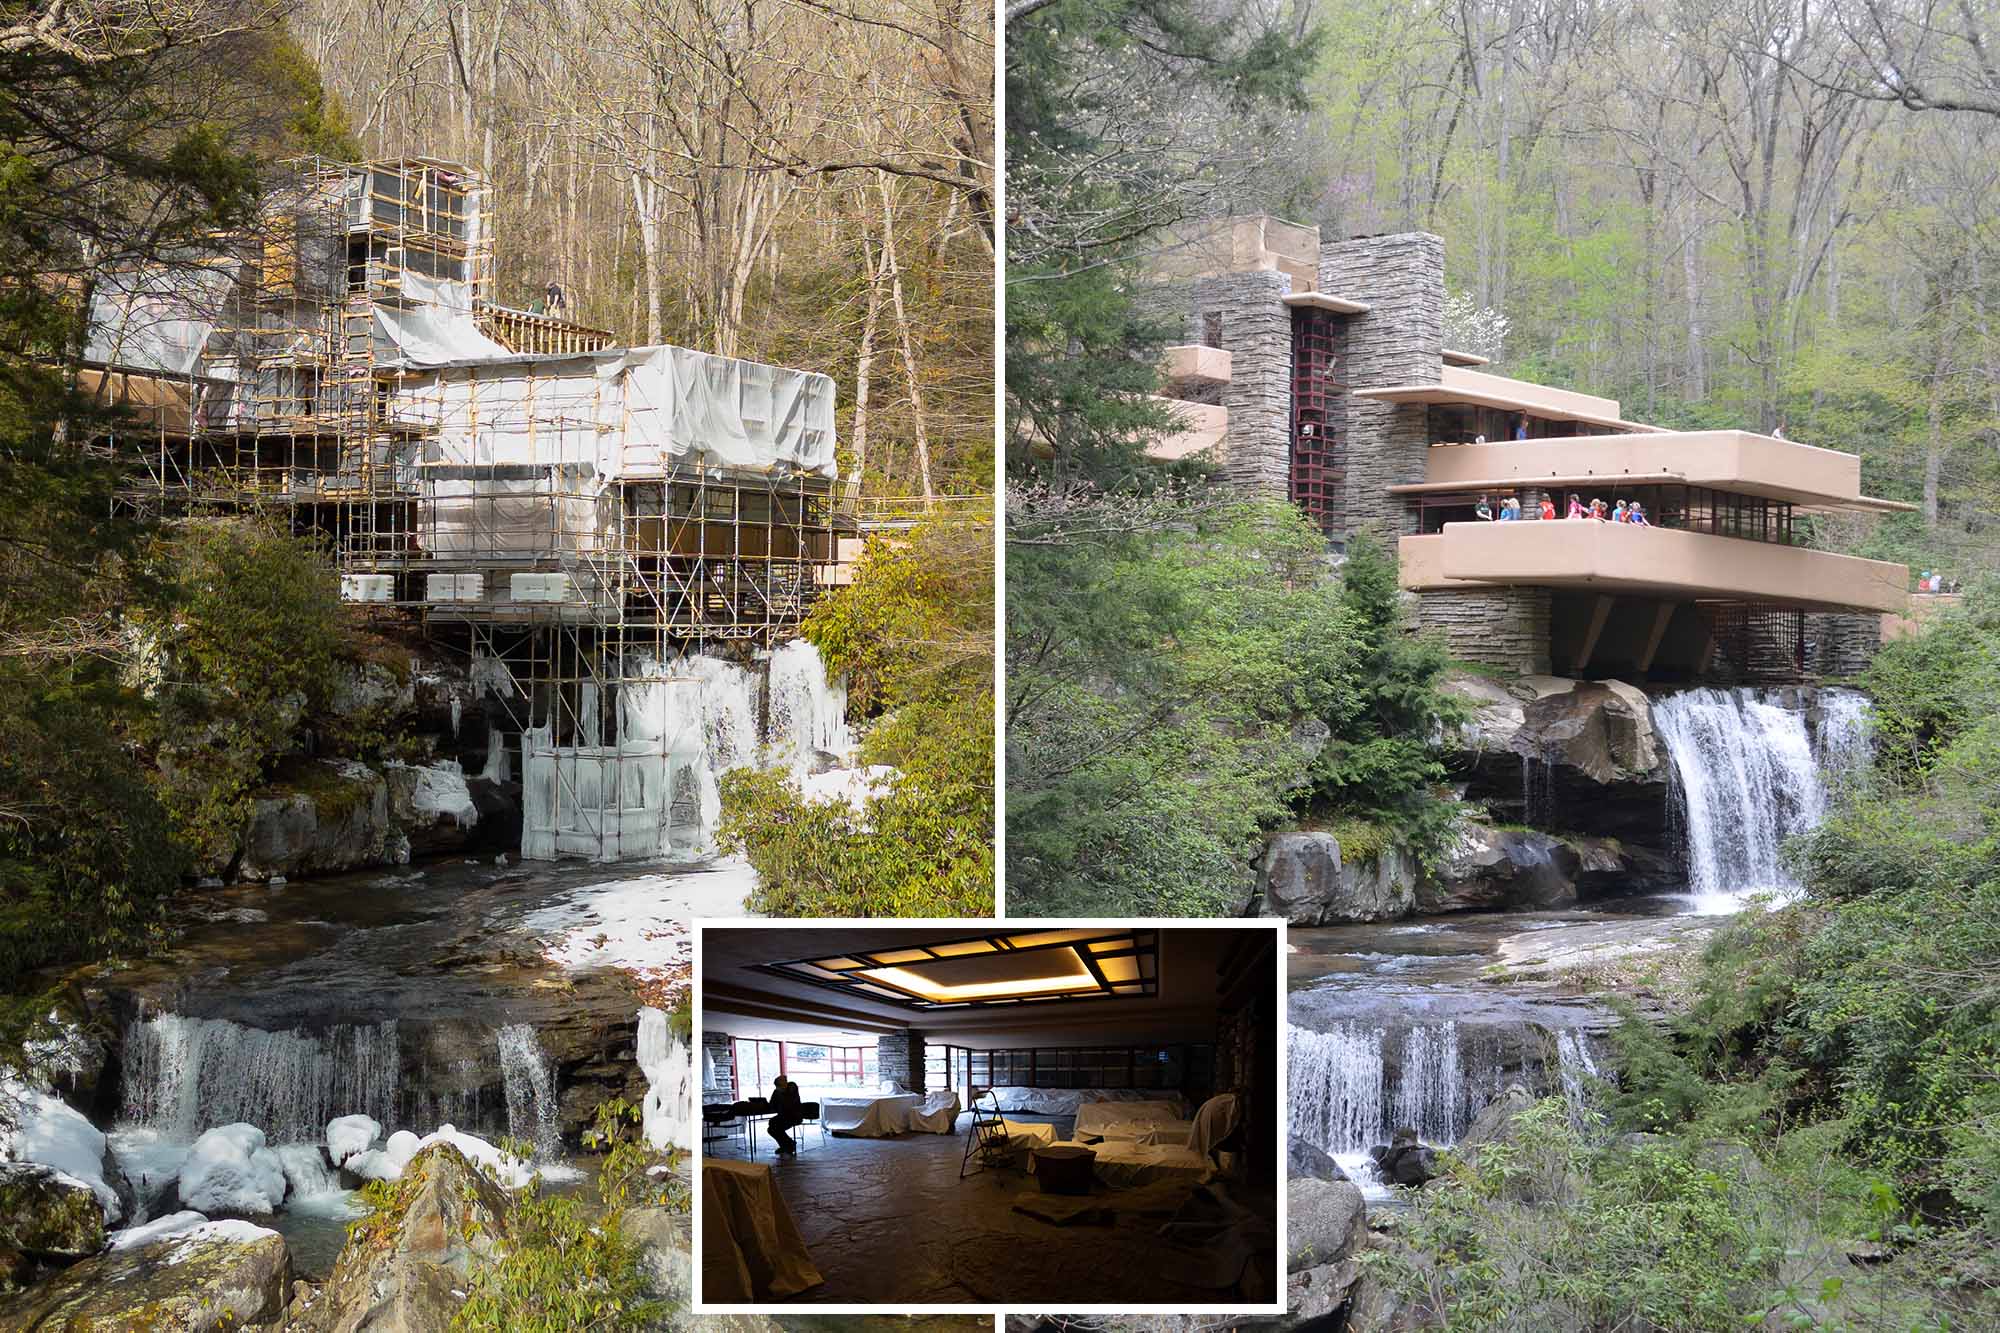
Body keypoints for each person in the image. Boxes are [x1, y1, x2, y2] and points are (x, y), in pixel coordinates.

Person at [767, 1074, 803, 1155]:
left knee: (773, 1126)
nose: (777, 1088)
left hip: (794, 1116)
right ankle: (788, 1144)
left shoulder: (792, 1087)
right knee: (772, 1127)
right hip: (783, 1116)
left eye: (779, 1085)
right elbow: (772, 1104)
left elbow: (788, 1104)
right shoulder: (777, 1091)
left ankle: (787, 1145)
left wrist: (780, 1094)